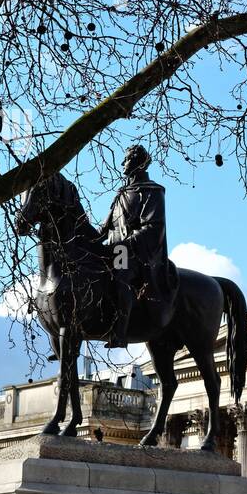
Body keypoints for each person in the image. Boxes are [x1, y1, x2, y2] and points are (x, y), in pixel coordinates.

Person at [98, 144, 176, 348]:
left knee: (120, 276)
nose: (122, 163)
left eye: (127, 159)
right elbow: (104, 229)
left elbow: (153, 227)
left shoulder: (152, 191)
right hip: (114, 249)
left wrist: (125, 243)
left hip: (133, 252)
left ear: (139, 162)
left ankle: (120, 333)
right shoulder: (122, 193)